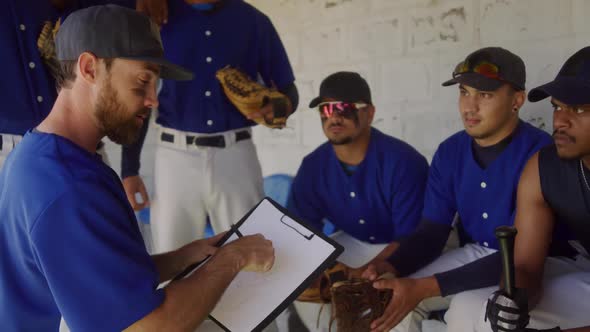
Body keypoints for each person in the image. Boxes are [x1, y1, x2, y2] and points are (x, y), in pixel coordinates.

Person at [0, 6, 274, 332]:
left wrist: (182, 258)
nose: (152, 100)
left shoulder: (39, 153)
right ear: (89, 68)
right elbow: (147, 327)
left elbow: (93, 275)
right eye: (143, 80)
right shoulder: (69, 186)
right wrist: (234, 258)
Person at [362, 47, 556, 332]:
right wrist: (392, 266)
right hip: (477, 252)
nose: (469, 106)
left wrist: (425, 287)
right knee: (391, 298)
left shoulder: (541, 152)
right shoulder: (450, 151)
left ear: (517, 100)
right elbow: (432, 232)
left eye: (485, 94)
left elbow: (522, 257)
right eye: (464, 92)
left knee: (467, 314)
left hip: (537, 266)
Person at [121, 0, 299, 254]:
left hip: (236, 153)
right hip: (175, 157)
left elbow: (287, 88)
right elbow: (139, 98)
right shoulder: (158, 15)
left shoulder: (253, 21)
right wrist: (130, 169)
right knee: (172, 254)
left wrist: (278, 107)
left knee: (252, 251)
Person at [481, 47, 590, 332]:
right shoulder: (542, 168)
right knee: (471, 309)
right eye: (557, 106)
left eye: (580, 109)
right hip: (583, 272)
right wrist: (513, 296)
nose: (560, 121)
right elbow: (526, 267)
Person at [0, 0, 166, 169]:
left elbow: (135, 88)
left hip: (85, 150)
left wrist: (130, 167)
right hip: (7, 151)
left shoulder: (105, 10)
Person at [290, 71, 429, 272]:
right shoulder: (312, 166)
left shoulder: (404, 162)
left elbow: (413, 239)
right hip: (353, 241)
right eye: (326, 109)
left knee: (374, 293)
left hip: (406, 248)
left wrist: (362, 274)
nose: (335, 118)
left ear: (370, 113)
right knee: (303, 281)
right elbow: (301, 230)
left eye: (344, 108)